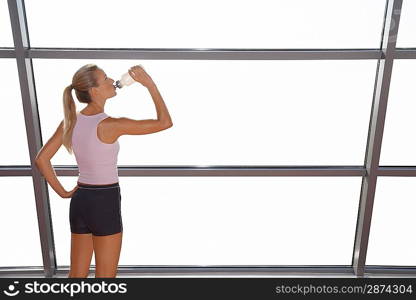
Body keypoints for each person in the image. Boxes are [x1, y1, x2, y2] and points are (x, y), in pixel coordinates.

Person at [34, 64, 173, 278]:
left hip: (80, 201)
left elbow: (42, 159)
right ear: (94, 91)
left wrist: (63, 193)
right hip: (104, 202)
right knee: (105, 280)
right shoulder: (111, 125)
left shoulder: (71, 121)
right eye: (105, 78)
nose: (111, 81)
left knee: (76, 277)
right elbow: (165, 122)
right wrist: (150, 85)